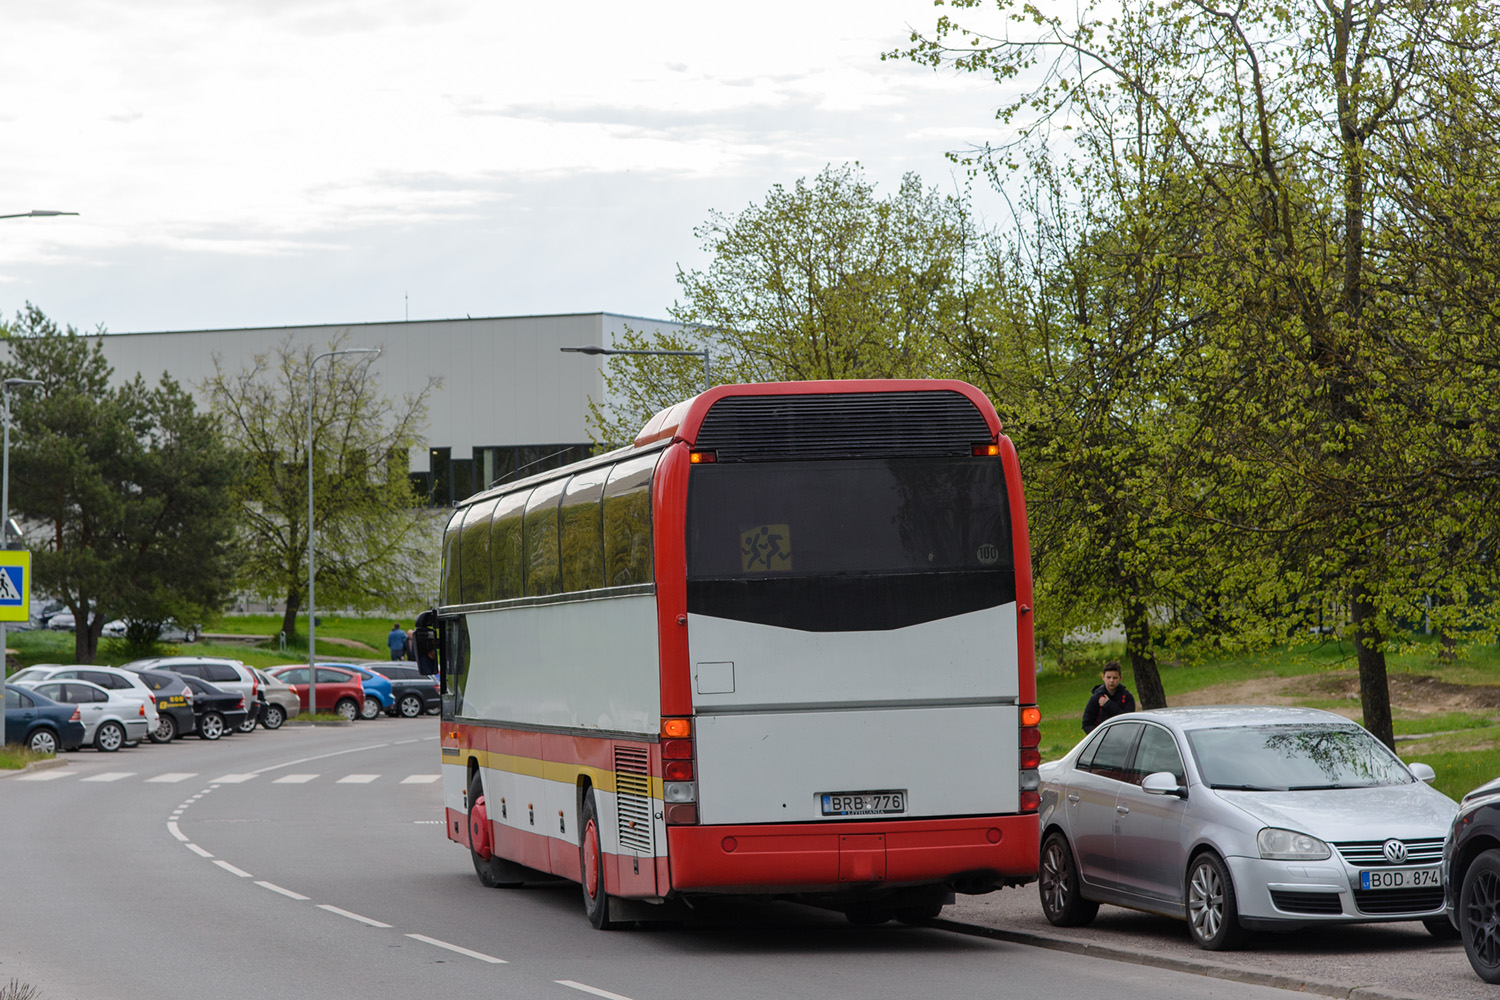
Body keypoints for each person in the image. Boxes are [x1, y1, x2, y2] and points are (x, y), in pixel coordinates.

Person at [1081, 661, 1135, 733]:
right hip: (1100, 739)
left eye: (1115, 678)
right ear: (1103, 677)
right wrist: (1100, 736)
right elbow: (1086, 724)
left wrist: (1108, 705)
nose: (1111, 681)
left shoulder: (1127, 697)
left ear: (1120, 678)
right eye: (1108, 677)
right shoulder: (1096, 697)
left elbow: (1128, 721)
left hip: (1122, 736)